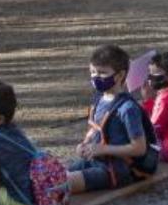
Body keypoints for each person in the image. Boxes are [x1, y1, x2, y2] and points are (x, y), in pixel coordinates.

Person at [65, 44, 156, 193]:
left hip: (118, 170)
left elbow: (139, 148)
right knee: (56, 176)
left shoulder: (127, 108)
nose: (95, 77)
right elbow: (96, 130)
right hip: (97, 160)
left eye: (102, 73)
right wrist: (84, 145)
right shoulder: (99, 99)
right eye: (92, 72)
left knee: (63, 183)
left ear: (120, 75)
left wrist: (103, 149)